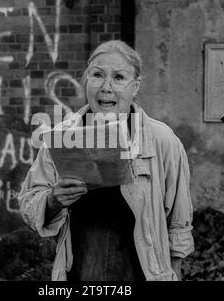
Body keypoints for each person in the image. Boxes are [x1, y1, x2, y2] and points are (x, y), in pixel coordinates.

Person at [18, 40, 194, 281]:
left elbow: (179, 221)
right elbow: (28, 201)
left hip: (142, 274)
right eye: (97, 75)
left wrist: (174, 272)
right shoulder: (62, 137)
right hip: (80, 272)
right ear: (86, 80)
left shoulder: (162, 140)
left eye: (119, 77)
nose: (106, 87)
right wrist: (52, 200)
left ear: (136, 86)